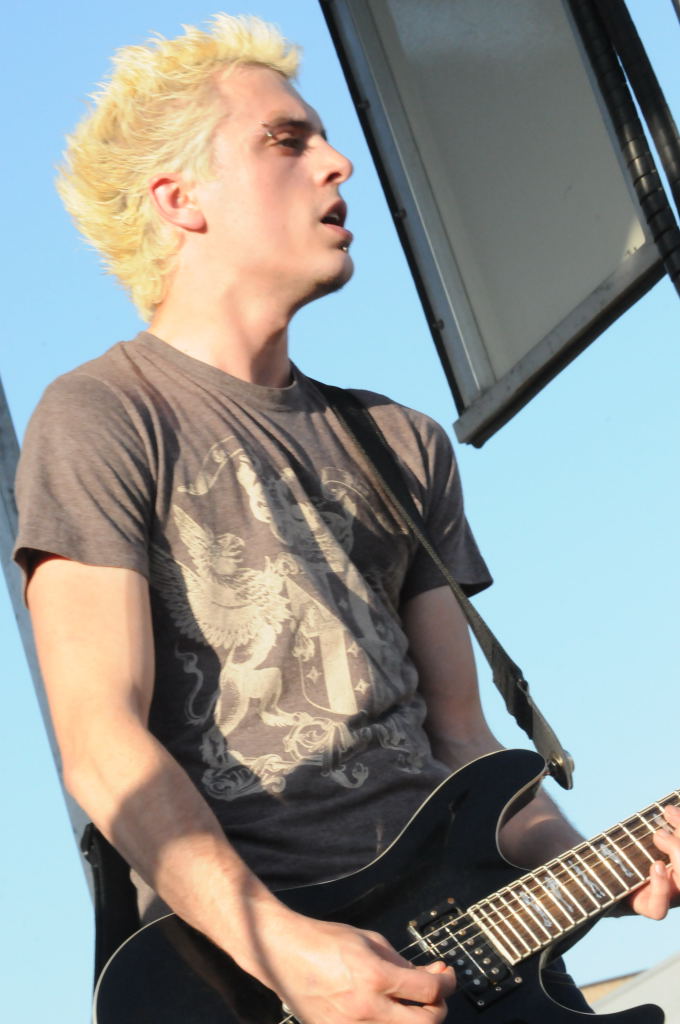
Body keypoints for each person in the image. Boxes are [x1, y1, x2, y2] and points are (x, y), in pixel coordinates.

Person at [13, 14, 679, 1024]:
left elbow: (465, 743)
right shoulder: (103, 415)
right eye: (287, 141)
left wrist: (603, 866)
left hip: (469, 962)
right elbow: (101, 740)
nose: (337, 164)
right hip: (244, 980)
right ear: (179, 198)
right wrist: (284, 952)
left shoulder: (403, 444)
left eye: (324, 138)